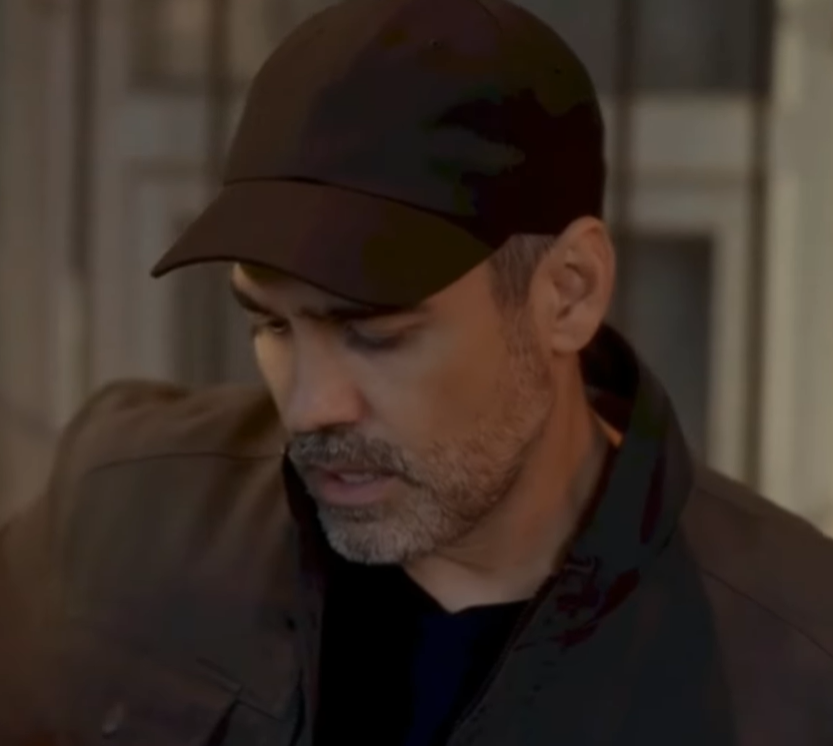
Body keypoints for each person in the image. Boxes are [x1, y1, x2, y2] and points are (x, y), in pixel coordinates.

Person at [2, 0, 833, 742]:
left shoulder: (796, 664)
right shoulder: (121, 513)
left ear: (567, 293)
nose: (310, 407)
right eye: (272, 323)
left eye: (376, 333)